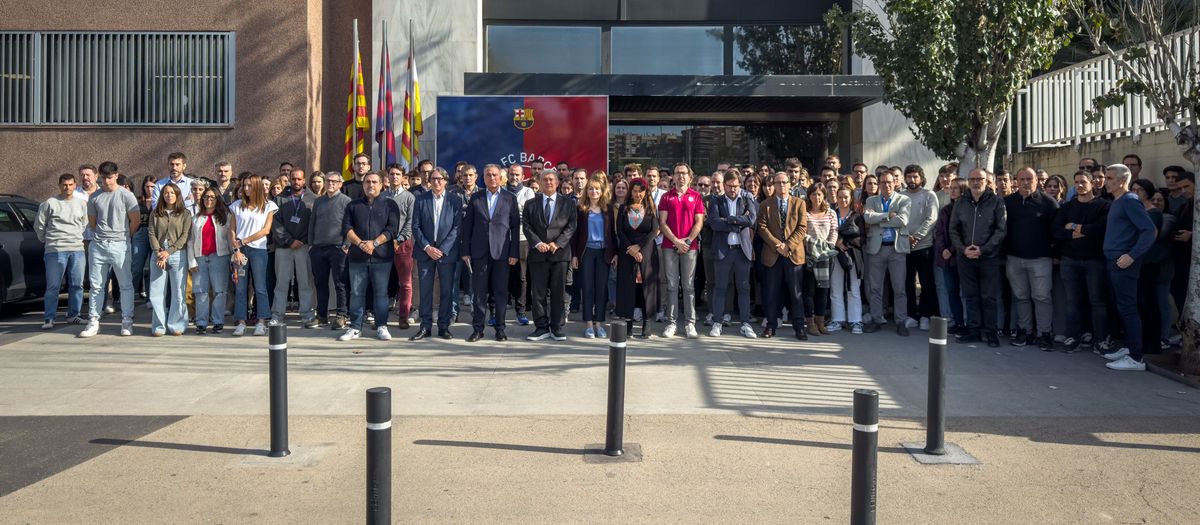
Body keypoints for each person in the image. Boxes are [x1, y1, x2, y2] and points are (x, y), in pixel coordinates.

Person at [1100, 165, 1157, 371]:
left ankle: (1136, 357)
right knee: (1122, 308)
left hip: (1123, 263)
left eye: (1110, 178)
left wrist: (1131, 256)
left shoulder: (1130, 201)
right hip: (1114, 261)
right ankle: (1130, 347)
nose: (1105, 181)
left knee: (1128, 308)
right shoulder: (1118, 201)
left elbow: (1149, 231)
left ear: (1122, 180)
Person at [79, 162, 140, 338]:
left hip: (120, 243)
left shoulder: (126, 195)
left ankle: (127, 321)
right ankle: (93, 321)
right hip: (98, 244)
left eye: (110, 177)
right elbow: (92, 222)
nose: (106, 181)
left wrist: (124, 237)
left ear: (116, 175)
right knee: (96, 286)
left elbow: (135, 221)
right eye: (103, 178)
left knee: (125, 285)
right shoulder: (95, 197)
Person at [337, 172, 399, 343]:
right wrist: (360, 244)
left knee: (381, 293)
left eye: (374, 182)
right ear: (363, 185)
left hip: (382, 258)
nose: (370, 185)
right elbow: (347, 228)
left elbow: (392, 229)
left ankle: (381, 326)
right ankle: (355, 328)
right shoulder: (353, 205)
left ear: (381, 185)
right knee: (356, 293)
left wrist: (374, 243)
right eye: (367, 182)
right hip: (357, 257)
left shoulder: (390, 205)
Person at [462, 164, 521, 342]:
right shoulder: (476, 198)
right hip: (480, 253)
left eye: (495, 175)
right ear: (484, 177)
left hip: (502, 253)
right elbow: (468, 226)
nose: (492, 178)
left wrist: (514, 252)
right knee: (479, 293)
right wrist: (465, 251)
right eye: (489, 175)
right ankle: (477, 329)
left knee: (501, 293)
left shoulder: (510, 198)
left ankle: (500, 329)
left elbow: (515, 228)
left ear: (501, 177)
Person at [517, 168, 577, 342]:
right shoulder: (531, 204)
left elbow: (571, 226)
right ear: (540, 183)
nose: (548, 182)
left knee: (558, 292)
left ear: (557, 183)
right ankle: (541, 327)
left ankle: (557, 327)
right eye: (545, 180)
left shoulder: (568, 203)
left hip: (560, 254)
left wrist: (557, 244)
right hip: (538, 254)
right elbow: (526, 226)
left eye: (551, 180)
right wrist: (538, 243)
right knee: (538, 293)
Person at [1054, 171, 1111, 352]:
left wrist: (1074, 227)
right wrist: (1080, 232)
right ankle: (1073, 337)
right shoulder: (1067, 207)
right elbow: (1057, 231)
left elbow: (1101, 230)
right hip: (1070, 260)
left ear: (1092, 183)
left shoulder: (1103, 206)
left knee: (1097, 302)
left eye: (1083, 182)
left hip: (1094, 260)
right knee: (1072, 301)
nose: (1080, 185)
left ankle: (1101, 339)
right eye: (1076, 182)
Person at [950, 169, 1007, 347]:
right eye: (972, 179)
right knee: (970, 295)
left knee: (989, 296)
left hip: (989, 257)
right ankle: (974, 330)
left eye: (979, 179)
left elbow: (1001, 229)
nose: (976, 182)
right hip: (966, 257)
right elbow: (953, 229)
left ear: (986, 181)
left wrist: (983, 249)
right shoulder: (961, 203)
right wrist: (963, 249)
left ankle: (991, 332)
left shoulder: (996, 202)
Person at [1004, 167, 1059, 350]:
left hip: (1040, 259)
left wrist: (1055, 255)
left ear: (1037, 181)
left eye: (1029, 179)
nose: (1026, 182)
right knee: (1021, 297)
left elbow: (1057, 232)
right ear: (1015, 182)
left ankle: (1044, 333)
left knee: (1042, 297)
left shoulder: (1049, 203)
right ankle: (1025, 331)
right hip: (1014, 258)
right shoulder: (1007, 202)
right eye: (1022, 179)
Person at [409, 167, 461, 340]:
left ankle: (444, 327)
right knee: (425, 292)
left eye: (439, 179)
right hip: (425, 253)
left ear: (446, 181)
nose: (436, 182)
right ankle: (425, 327)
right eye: (433, 179)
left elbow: (456, 227)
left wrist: (442, 249)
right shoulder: (421, 199)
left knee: (447, 291)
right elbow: (415, 226)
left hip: (447, 254)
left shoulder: (455, 200)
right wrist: (427, 248)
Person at [706, 169, 758, 338]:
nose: (733, 189)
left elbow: (751, 220)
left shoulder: (746, 199)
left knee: (744, 288)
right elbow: (714, 223)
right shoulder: (716, 201)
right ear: (724, 185)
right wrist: (737, 221)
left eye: (736, 186)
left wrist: (729, 219)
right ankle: (717, 322)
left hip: (742, 251)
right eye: (729, 186)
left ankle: (745, 323)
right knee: (720, 288)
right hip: (723, 251)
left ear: (739, 185)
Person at [757, 172, 808, 340]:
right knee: (772, 292)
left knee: (796, 292)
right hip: (773, 253)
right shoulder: (766, 204)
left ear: (789, 184)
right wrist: (778, 245)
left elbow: (802, 228)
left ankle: (799, 326)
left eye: (784, 182)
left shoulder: (799, 203)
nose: (781, 186)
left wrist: (788, 245)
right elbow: (762, 228)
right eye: (778, 183)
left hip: (793, 254)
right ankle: (770, 326)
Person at [658, 163, 706, 339]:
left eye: (684, 173)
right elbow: (662, 223)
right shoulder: (666, 197)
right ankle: (671, 323)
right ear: (673, 176)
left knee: (688, 286)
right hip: (670, 246)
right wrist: (676, 241)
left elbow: (699, 222)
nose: (681, 176)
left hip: (689, 247)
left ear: (690, 176)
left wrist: (687, 241)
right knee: (671, 286)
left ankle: (690, 323)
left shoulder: (696, 196)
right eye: (677, 173)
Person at [36, 173, 88, 329]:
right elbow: (39, 226)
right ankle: (49, 318)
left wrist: (76, 238)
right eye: (64, 185)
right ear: (59, 186)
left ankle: (74, 315)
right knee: (53, 286)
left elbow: (84, 224)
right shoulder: (49, 203)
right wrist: (49, 241)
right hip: (55, 250)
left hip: (77, 249)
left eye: (71, 184)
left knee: (77, 285)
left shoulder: (81, 204)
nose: (68, 188)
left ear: (75, 185)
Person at [229, 174, 278, 337]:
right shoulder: (236, 205)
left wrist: (245, 240)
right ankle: (241, 322)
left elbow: (266, 230)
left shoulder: (268, 205)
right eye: (244, 185)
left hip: (258, 250)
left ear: (257, 186)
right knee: (241, 287)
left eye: (250, 185)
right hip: (240, 252)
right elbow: (232, 230)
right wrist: (236, 249)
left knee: (260, 287)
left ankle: (261, 321)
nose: (246, 188)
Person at [862, 171, 911, 335]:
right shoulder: (871, 200)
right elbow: (868, 218)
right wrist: (887, 216)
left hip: (897, 249)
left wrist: (879, 220)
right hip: (877, 248)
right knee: (875, 287)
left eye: (889, 182)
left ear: (895, 183)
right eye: (882, 182)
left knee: (899, 288)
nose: (886, 185)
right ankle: (876, 319)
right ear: (879, 184)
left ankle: (901, 321)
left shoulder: (904, 199)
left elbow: (902, 220)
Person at [270, 168, 317, 328]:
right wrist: (289, 240)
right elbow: (275, 223)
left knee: (305, 282)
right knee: (281, 282)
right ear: (289, 180)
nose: (296, 182)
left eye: (299, 179)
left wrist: (302, 240)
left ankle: (307, 314)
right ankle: (277, 314)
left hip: (303, 246)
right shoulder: (280, 198)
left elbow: (314, 224)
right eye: (293, 179)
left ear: (304, 181)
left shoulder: (313, 199)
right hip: (284, 246)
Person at [614, 178, 660, 338]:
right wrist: (631, 249)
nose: (638, 194)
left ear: (645, 191)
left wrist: (639, 247)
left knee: (646, 287)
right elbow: (620, 231)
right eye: (634, 191)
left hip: (646, 252)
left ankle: (647, 323)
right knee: (628, 287)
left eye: (641, 191)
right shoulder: (623, 208)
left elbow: (653, 231)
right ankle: (628, 323)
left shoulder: (651, 208)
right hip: (627, 253)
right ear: (630, 192)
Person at [1133, 180, 1175, 353]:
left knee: (1150, 304)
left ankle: (1153, 344)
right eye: (1133, 189)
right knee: (1141, 304)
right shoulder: (1136, 211)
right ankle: (1143, 342)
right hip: (1137, 263)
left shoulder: (1154, 213)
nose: (1136, 193)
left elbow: (1149, 238)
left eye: (1140, 190)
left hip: (1149, 264)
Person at [147, 183, 193, 336]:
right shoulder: (155, 213)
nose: (169, 195)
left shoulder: (185, 213)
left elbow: (185, 236)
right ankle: (159, 326)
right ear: (162, 195)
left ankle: (177, 324)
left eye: (172, 193)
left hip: (177, 255)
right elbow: (151, 233)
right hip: (158, 254)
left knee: (178, 292)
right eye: (166, 193)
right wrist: (159, 251)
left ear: (177, 195)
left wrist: (168, 252)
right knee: (157, 292)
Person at [571, 175, 614, 339]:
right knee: (587, 288)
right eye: (591, 188)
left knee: (601, 290)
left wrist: (614, 253)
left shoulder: (607, 209)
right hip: (586, 252)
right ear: (586, 191)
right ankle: (589, 324)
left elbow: (612, 233)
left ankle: (599, 324)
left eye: (597, 188)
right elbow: (574, 234)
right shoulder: (581, 208)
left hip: (603, 252)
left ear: (602, 191)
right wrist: (574, 254)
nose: (594, 191)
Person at [310, 172, 352, 329]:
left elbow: (350, 225)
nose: (330, 184)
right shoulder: (319, 201)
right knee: (320, 283)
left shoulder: (346, 201)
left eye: (334, 181)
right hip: (318, 248)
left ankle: (342, 315)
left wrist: (347, 244)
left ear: (340, 184)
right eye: (328, 181)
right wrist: (311, 245)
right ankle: (321, 315)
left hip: (338, 248)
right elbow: (312, 223)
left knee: (340, 283)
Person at [188, 187, 233, 334]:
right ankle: (201, 322)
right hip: (200, 257)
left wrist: (233, 255)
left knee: (220, 291)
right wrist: (191, 261)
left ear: (217, 199)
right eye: (206, 197)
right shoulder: (196, 218)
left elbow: (230, 238)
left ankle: (218, 321)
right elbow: (190, 241)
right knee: (200, 291)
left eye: (212, 197)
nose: (209, 199)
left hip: (219, 257)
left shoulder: (225, 217)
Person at [902, 164, 939, 331]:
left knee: (926, 282)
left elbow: (931, 219)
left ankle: (925, 315)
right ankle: (911, 314)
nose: (912, 180)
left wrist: (916, 237)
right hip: (904, 247)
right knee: (907, 282)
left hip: (924, 246)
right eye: (909, 177)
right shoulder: (900, 196)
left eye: (915, 177)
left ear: (921, 178)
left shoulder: (929, 195)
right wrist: (907, 238)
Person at [932, 178, 968, 336]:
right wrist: (943, 249)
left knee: (964, 293)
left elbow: (965, 234)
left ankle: (968, 322)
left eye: (956, 188)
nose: (952, 191)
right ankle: (958, 322)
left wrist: (952, 249)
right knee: (951, 291)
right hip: (946, 257)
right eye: (951, 188)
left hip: (961, 256)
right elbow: (939, 232)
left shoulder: (968, 209)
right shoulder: (946, 210)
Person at [802, 182, 838, 337]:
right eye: (813, 194)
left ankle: (820, 322)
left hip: (825, 255)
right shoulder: (804, 212)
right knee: (809, 290)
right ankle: (809, 322)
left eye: (819, 194)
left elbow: (834, 232)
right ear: (809, 195)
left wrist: (827, 246)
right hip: (808, 255)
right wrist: (813, 244)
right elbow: (801, 232)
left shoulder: (830, 213)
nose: (816, 197)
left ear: (824, 196)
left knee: (823, 290)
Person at [828, 187, 865, 334]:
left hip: (853, 256)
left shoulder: (857, 216)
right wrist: (836, 243)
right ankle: (837, 319)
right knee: (835, 287)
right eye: (840, 197)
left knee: (854, 289)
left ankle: (855, 320)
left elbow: (862, 237)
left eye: (846, 197)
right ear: (836, 198)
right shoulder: (832, 214)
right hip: (834, 255)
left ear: (851, 199)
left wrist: (845, 244)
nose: (843, 200)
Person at [386, 163, 416, 330]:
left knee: (405, 284)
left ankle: (403, 316)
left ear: (403, 177)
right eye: (392, 174)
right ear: (388, 176)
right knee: (381, 283)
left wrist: (399, 239)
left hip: (404, 245)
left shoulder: (409, 198)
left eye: (398, 174)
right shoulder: (382, 196)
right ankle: (380, 318)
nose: (394, 177)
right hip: (384, 244)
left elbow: (411, 222)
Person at [505, 164, 536, 326]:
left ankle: (521, 311)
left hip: (523, 240)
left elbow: (530, 218)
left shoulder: (529, 193)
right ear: (507, 175)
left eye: (517, 175)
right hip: (504, 240)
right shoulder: (502, 191)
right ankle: (498, 311)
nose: (514, 177)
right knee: (502, 276)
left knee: (522, 277)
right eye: (511, 174)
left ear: (523, 176)